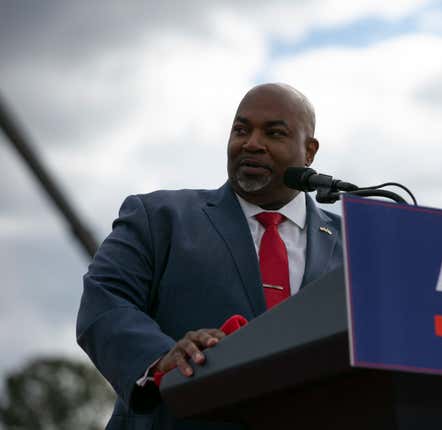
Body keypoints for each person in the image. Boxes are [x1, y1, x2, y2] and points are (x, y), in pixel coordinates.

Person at [76, 83, 344, 429]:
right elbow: (105, 301)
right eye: (241, 130)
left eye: (274, 133)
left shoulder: (355, 244)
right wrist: (160, 360)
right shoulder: (159, 217)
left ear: (309, 152)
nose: (252, 143)